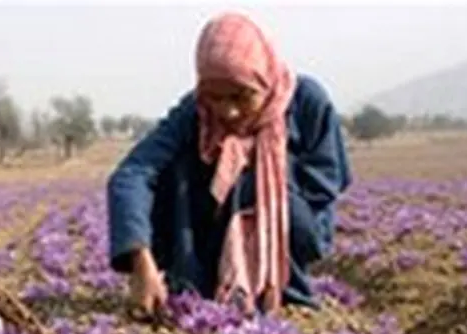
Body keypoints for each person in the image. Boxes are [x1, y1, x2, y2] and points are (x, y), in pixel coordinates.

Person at [107, 11, 351, 316]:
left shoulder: (305, 101)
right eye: (215, 97)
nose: (228, 111)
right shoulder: (195, 110)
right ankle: (193, 280)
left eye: (241, 95)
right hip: (211, 230)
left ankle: (276, 287)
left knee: (258, 173)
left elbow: (325, 183)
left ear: (264, 79)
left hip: (292, 229)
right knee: (178, 164)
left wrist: (253, 189)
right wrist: (140, 258)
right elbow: (133, 173)